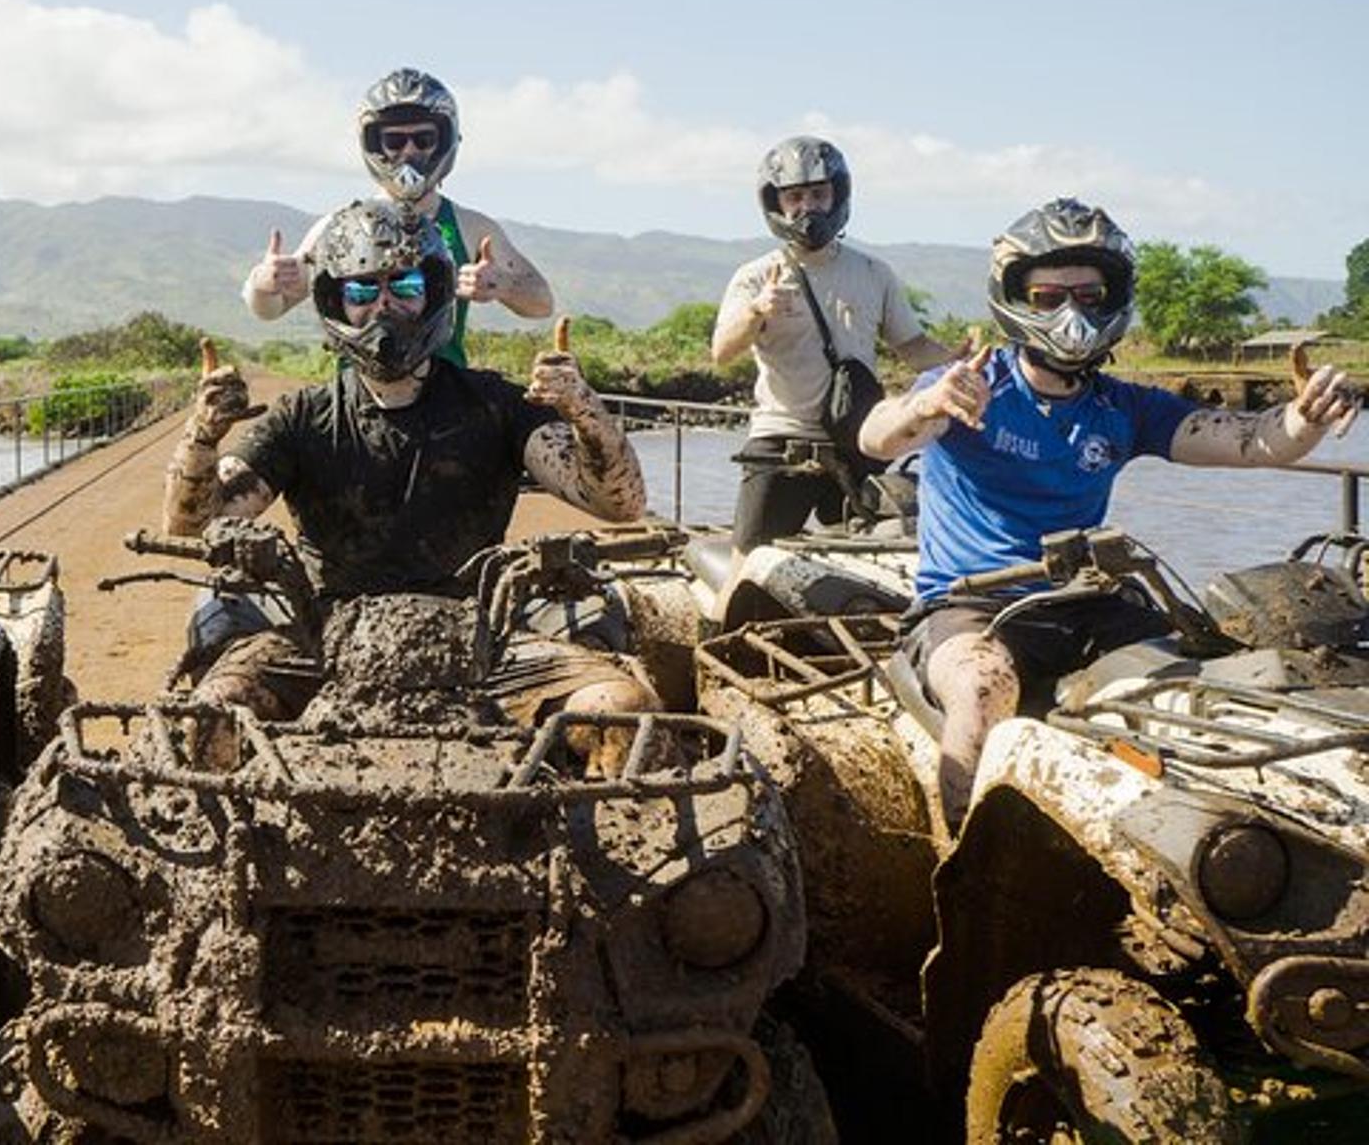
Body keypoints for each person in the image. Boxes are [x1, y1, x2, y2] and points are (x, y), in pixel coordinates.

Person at [859, 198, 1358, 827]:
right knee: (984, 693)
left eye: (1089, 296)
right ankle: (957, 845)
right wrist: (923, 407)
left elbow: (1249, 440)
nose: (1070, 314)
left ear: (1112, 300)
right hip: (970, 606)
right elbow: (876, 439)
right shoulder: (969, 385)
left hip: (1087, 601)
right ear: (1015, 298)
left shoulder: (1123, 407)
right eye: (1047, 297)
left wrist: (1306, 417)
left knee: (1199, 689)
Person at [172, 198, 654, 756]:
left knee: (621, 709)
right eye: (361, 291)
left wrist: (585, 411)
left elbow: (619, 503)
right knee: (214, 712)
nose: (384, 305)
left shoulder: (495, 404)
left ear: (435, 291)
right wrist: (201, 437)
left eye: (404, 286)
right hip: (324, 639)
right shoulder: (302, 416)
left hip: (480, 639)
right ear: (333, 300)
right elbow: (196, 526)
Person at [711, 135, 959, 551]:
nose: (807, 206)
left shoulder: (873, 272)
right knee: (748, 556)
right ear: (776, 203)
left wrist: (958, 364)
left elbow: (912, 345)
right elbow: (721, 352)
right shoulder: (755, 277)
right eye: (794, 197)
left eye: (818, 194)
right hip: (782, 439)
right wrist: (756, 312)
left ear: (837, 196)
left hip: (856, 438)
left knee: (878, 555)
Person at [241, 67, 553, 365]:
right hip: (360, 393)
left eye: (423, 140)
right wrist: (263, 283)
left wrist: (503, 285)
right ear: (375, 145)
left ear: (444, 141)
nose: (409, 152)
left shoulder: (471, 227)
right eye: (394, 141)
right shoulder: (339, 228)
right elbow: (271, 309)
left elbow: (543, 303)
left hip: (446, 392)